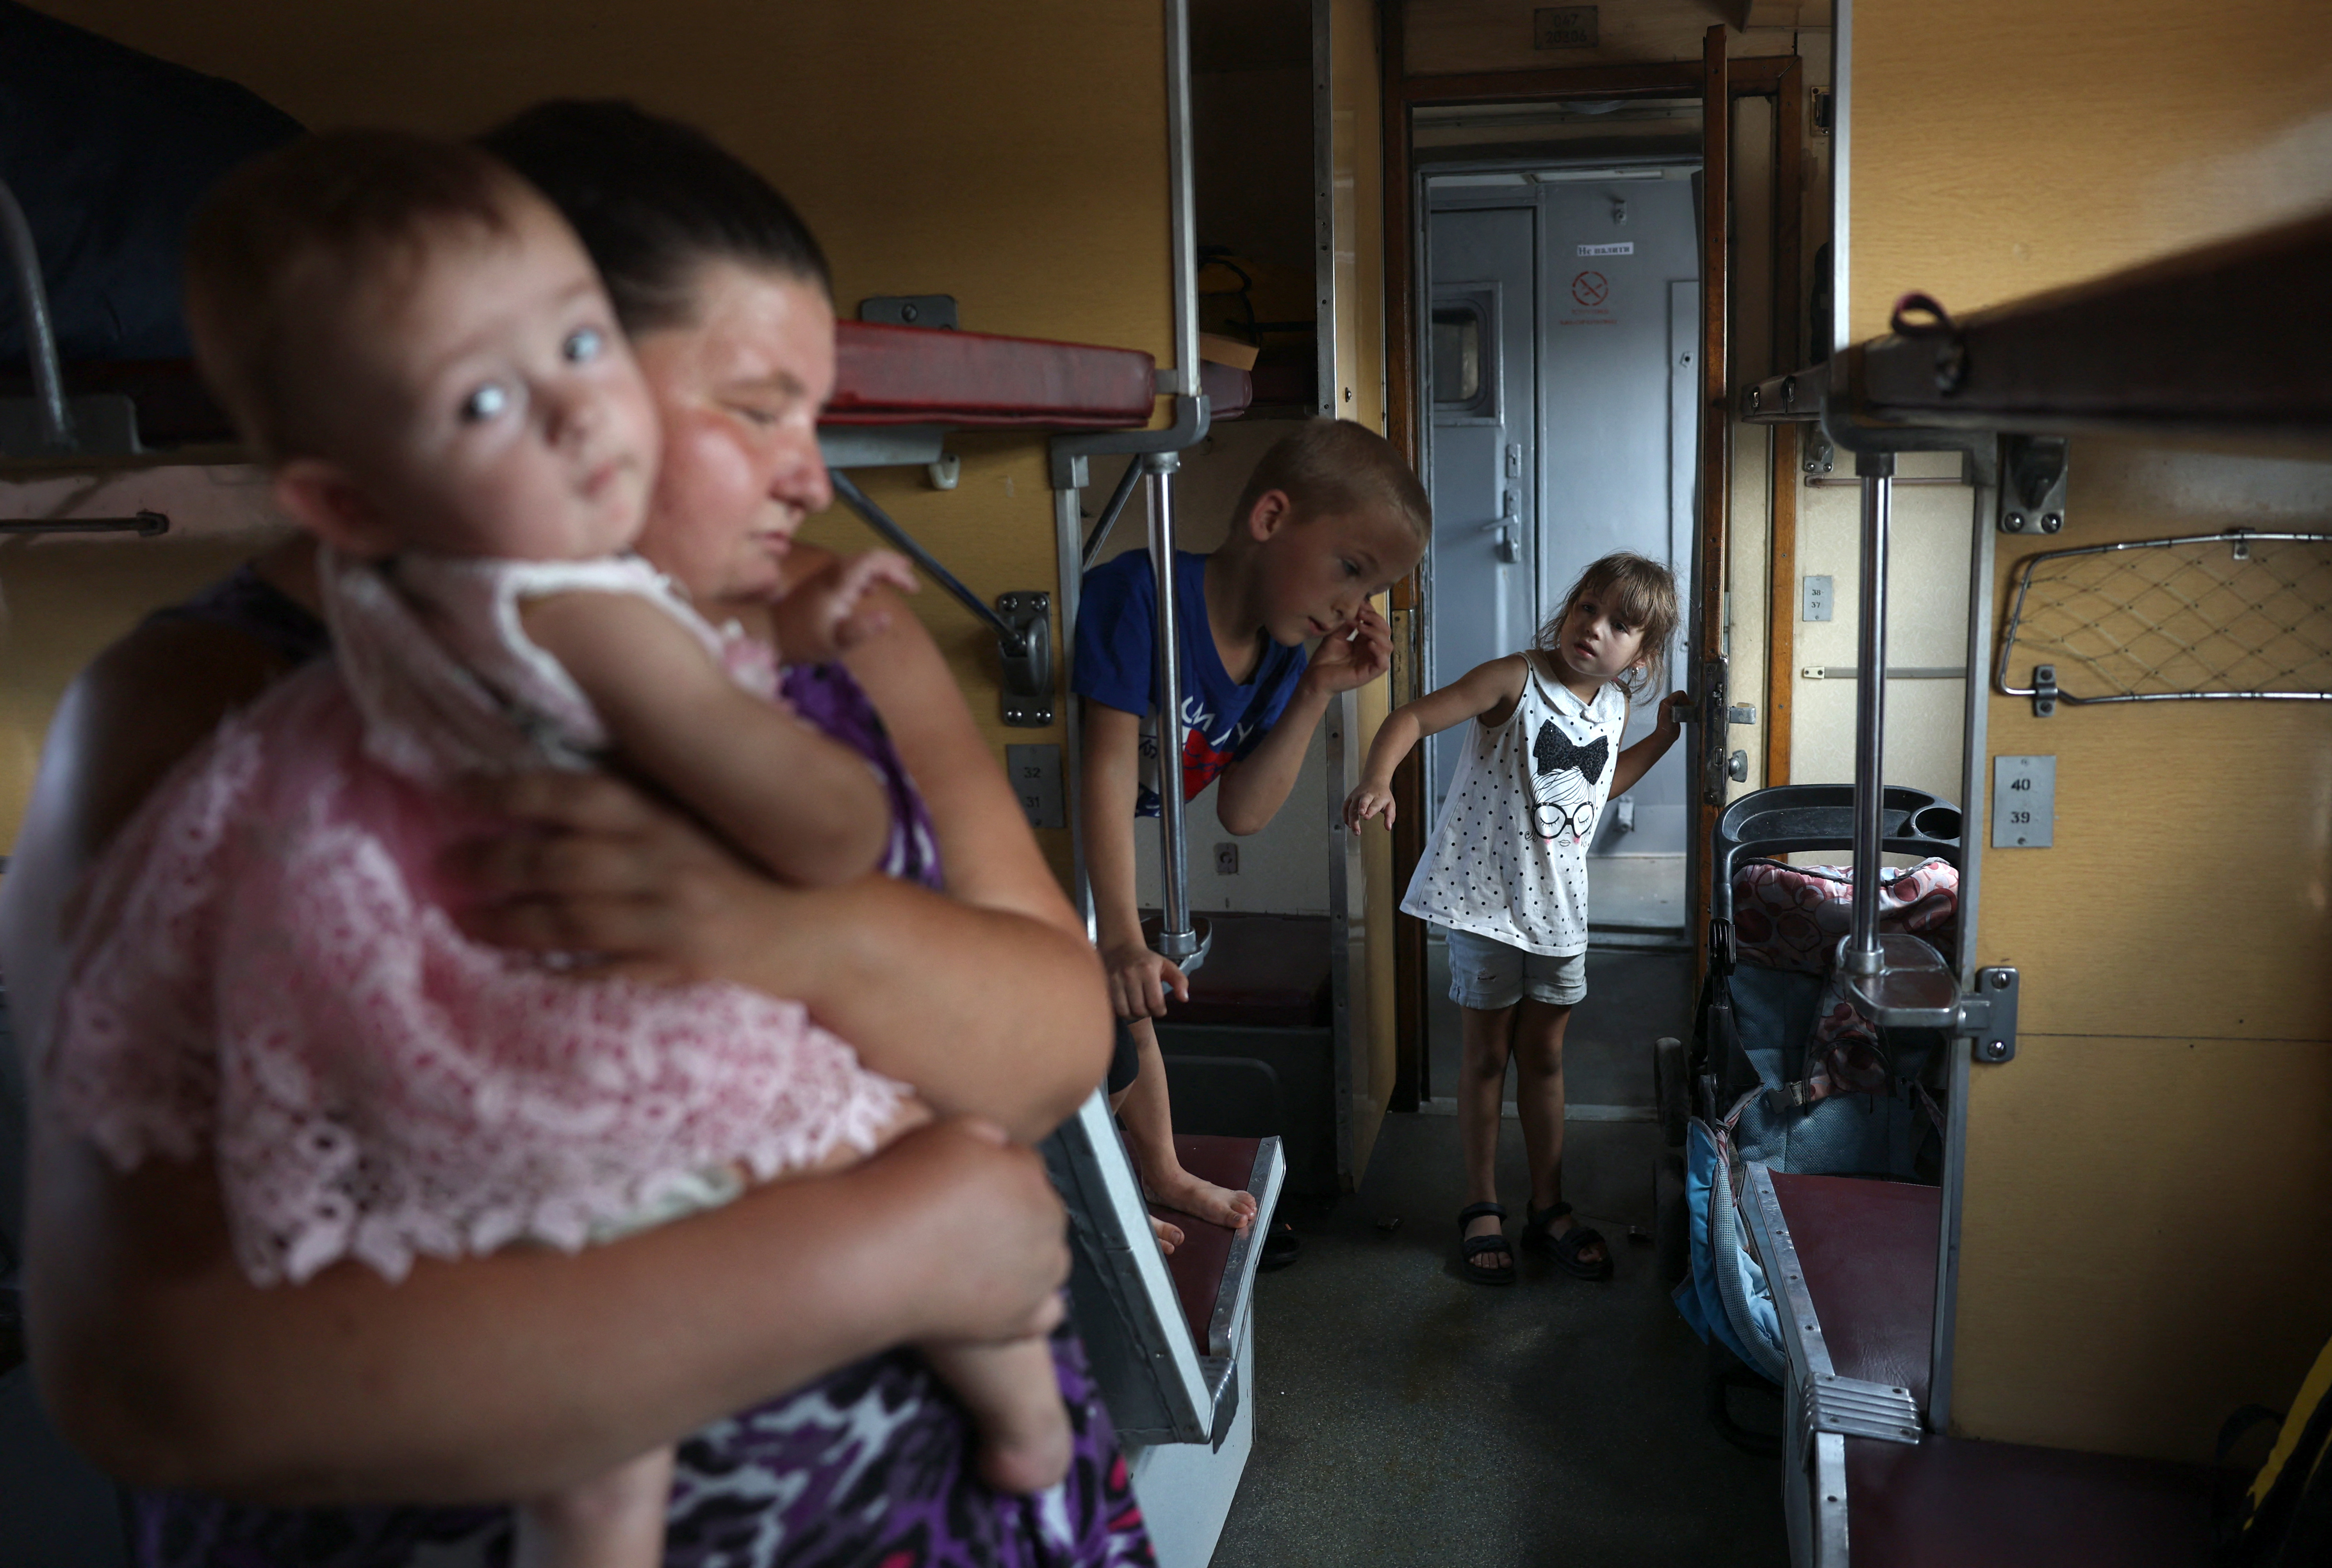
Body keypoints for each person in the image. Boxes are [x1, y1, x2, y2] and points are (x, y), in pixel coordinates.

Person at [0, 101, 1144, 1568]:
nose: (814, 473)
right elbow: (149, 1371)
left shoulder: (844, 651)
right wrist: (884, 1259)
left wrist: (797, 933)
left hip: (953, 1514)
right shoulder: (205, 717)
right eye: (752, 404)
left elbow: (1057, 1041)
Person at [1076, 420, 1428, 1247]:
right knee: (1097, 1028)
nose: (1354, 607)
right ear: (1271, 518)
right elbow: (1103, 769)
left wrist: (1316, 694)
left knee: (1134, 1014)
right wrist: (1124, 936)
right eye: (1350, 569)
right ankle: (1089, 1204)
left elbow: (1246, 812)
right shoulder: (1142, 595)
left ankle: (1157, 1170)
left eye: (1371, 589)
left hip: (1104, 860)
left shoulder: (1278, 659)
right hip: (1034, 848)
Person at [1343, 551, 1688, 1286]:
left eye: (1619, 625)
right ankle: (1480, 1205)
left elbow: (1595, 785)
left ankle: (1549, 1206)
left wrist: (1659, 740)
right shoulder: (1515, 679)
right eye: (1587, 608)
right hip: (1487, 902)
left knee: (1546, 1059)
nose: (1594, 629)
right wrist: (1378, 777)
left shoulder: (1615, 705)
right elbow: (1412, 716)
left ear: (1643, 654)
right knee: (1484, 1058)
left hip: (1559, 911)